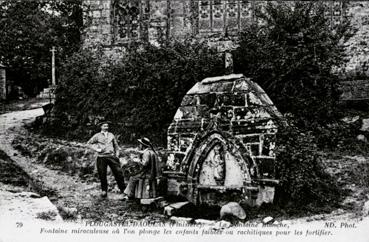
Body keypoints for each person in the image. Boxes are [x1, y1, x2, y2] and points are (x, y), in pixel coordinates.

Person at [87, 121, 125, 198]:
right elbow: (89, 143)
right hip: (101, 157)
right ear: (101, 127)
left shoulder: (111, 135)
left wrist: (117, 154)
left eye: (107, 126)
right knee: (102, 174)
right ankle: (104, 191)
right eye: (104, 126)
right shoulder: (97, 135)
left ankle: (123, 190)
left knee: (118, 173)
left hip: (111, 156)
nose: (106, 127)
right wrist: (97, 149)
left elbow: (116, 146)